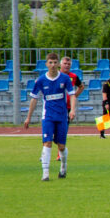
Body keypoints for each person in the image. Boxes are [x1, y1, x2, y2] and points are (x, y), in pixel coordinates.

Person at [22, 52, 76, 181]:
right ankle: (45, 174)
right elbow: (34, 99)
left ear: (58, 64)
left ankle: (63, 167)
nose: (52, 65)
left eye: (55, 62)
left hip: (62, 116)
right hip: (48, 116)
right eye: (50, 63)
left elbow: (72, 94)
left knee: (61, 146)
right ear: (46, 64)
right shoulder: (41, 80)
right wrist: (28, 117)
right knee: (47, 143)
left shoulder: (64, 79)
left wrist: (72, 110)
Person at [57, 56, 84, 161]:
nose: (67, 66)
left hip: (67, 107)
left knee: (63, 131)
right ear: (60, 64)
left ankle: (60, 153)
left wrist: (74, 96)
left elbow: (81, 86)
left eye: (69, 64)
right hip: (55, 106)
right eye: (65, 63)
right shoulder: (55, 75)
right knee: (51, 130)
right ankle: (46, 151)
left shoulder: (73, 76)